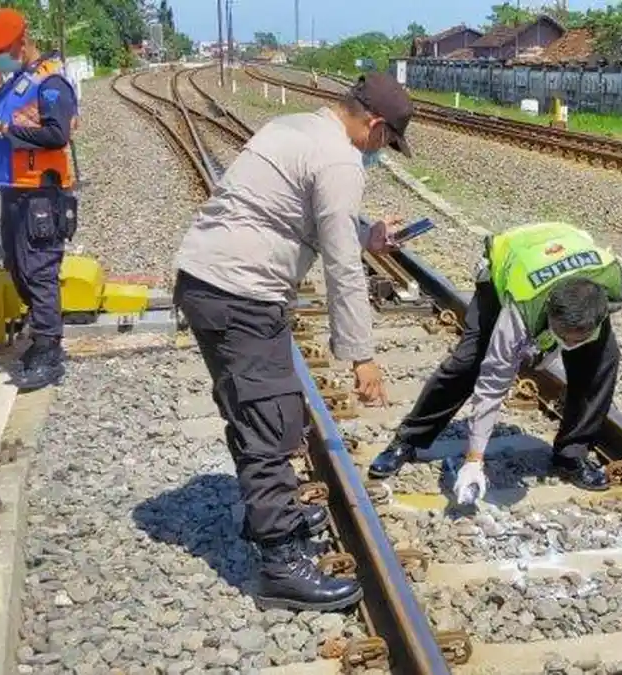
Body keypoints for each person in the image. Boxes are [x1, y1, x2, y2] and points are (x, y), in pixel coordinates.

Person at [172, 72, 415, 612]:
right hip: (240, 294)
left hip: (207, 281)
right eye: (388, 141)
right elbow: (342, 268)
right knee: (270, 420)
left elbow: (303, 217)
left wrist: (368, 234)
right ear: (375, 125)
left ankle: (270, 511)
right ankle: (280, 563)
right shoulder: (340, 161)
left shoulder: (296, 127)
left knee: (252, 410)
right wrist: (361, 355)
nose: (383, 151)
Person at [368, 222, 622, 502]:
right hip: (511, 265)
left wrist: (566, 342)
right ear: (548, 312)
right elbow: (493, 381)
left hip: (569, 257)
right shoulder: (522, 307)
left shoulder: (618, 283)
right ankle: (408, 439)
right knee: (468, 362)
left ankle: (572, 455)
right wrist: (474, 460)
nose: (568, 344)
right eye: (562, 336)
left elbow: (598, 316)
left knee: (602, 360)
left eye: (576, 338)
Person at [0, 8, 79, 391]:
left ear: (21, 42)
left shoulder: (51, 83)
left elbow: (57, 135)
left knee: (40, 272)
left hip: (41, 193)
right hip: (14, 190)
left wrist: (2, 128)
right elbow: (10, 134)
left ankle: (49, 352)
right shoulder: (17, 83)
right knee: (18, 267)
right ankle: (41, 336)